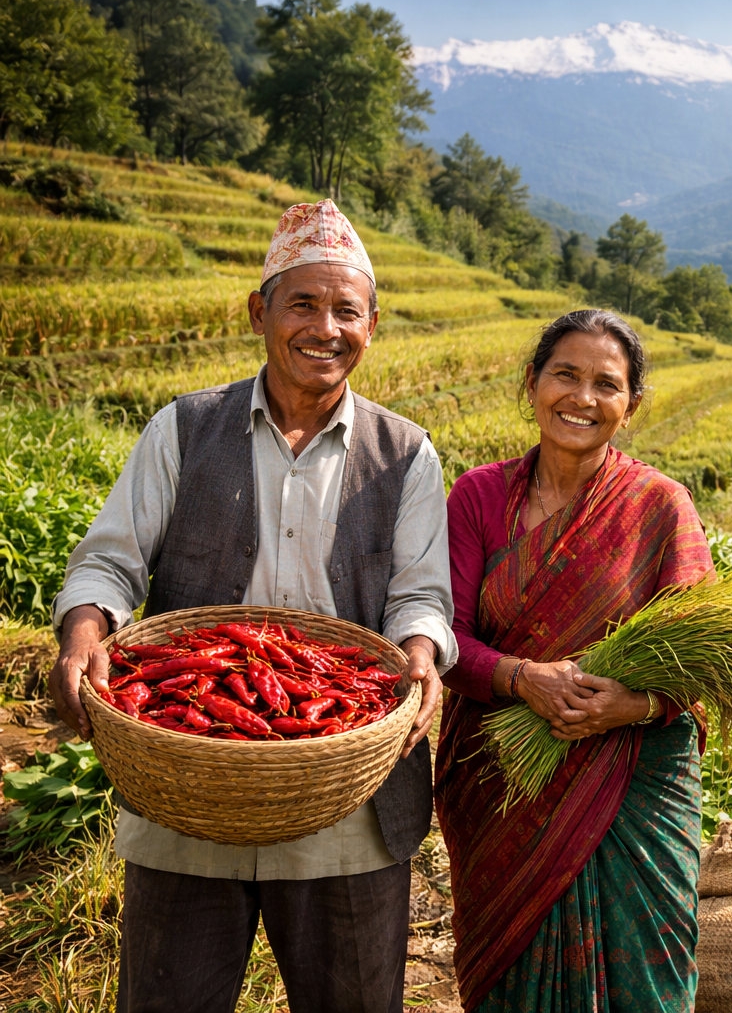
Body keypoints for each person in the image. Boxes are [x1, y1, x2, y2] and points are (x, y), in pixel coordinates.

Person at [46, 199, 454, 1012]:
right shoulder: (184, 429)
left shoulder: (405, 453)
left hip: (348, 792)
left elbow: (420, 593)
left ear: (373, 323)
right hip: (187, 780)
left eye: (347, 310)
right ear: (258, 310)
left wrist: (417, 653)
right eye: (302, 303)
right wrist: (85, 631)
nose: (324, 327)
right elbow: (110, 562)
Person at [438, 309, 713, 1013]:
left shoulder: (659, 508)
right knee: (513, 963)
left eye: (606, 384)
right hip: (505, 781)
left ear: (632, 405)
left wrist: (635, 705)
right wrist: (523, 678)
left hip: (631, 782)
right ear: (532, 382)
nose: (582, 399)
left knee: (640, 981)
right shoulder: (479, 497)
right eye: (565, 374)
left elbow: (701, 659)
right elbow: (447, 637)